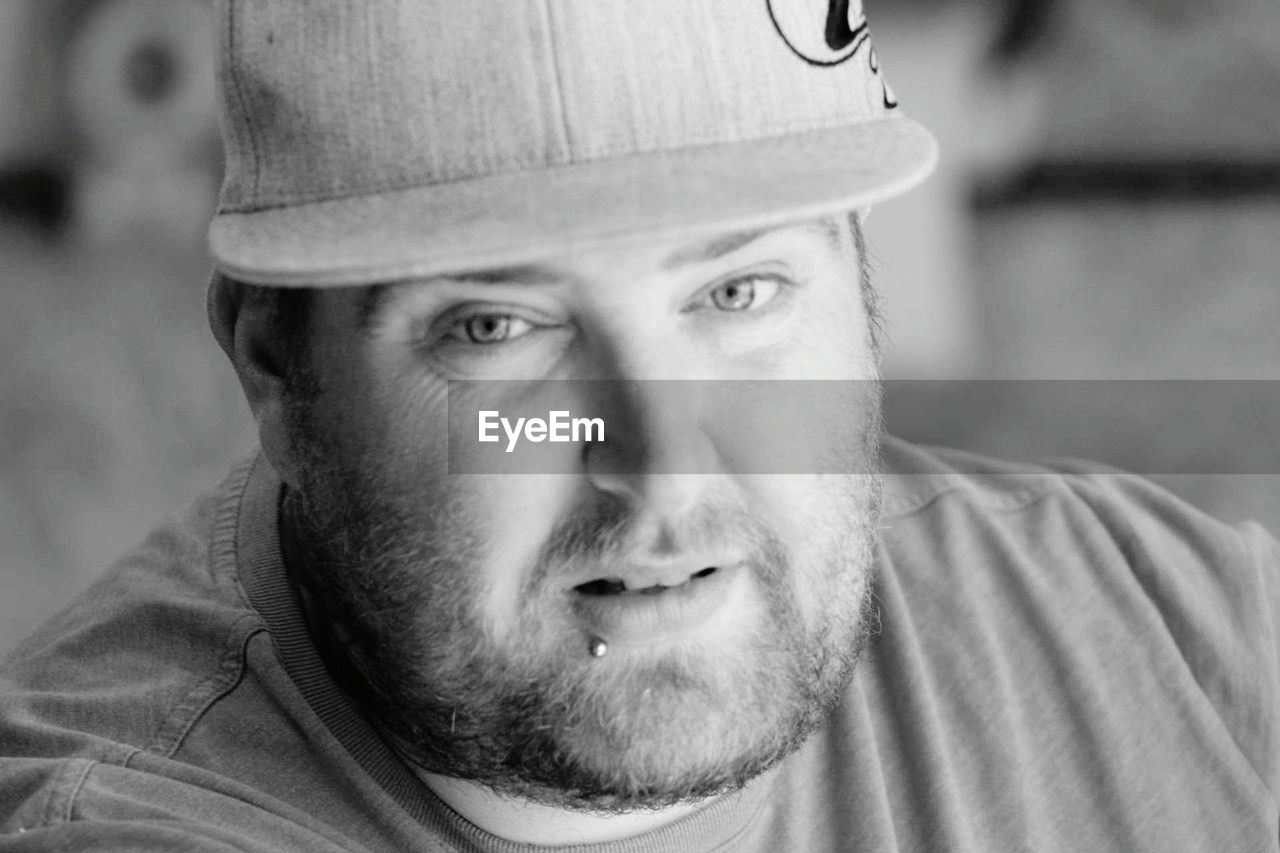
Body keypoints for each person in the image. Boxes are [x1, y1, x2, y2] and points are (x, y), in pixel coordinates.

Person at [2, 1, 1278, 851]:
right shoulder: (129, 818)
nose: (664, 474)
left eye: (737, 294)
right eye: (498, 328)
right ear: (277, 368)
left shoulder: (1173, 631)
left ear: (862, 284)